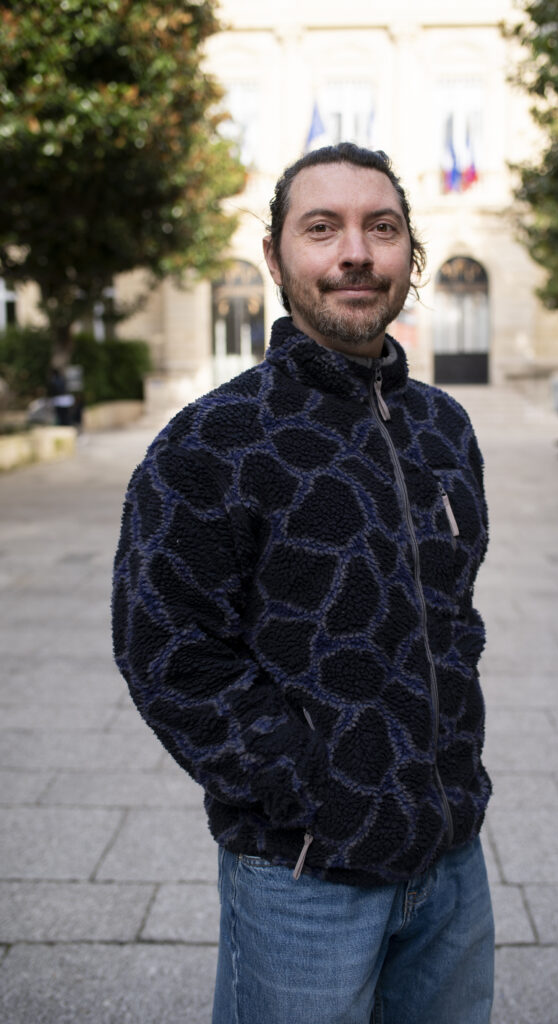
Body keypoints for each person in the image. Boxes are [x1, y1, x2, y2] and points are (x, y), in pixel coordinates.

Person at [112, 143, 494, 1024]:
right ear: (276, 258)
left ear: (410, 256)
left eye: (381, 228)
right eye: (322, 228)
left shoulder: (443, 428)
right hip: (302, 871)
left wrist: (453, 780)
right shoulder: (211, 441)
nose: (355, 252)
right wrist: (309, 790)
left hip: (449, 861)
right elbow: (166, 654)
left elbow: (455, 614)